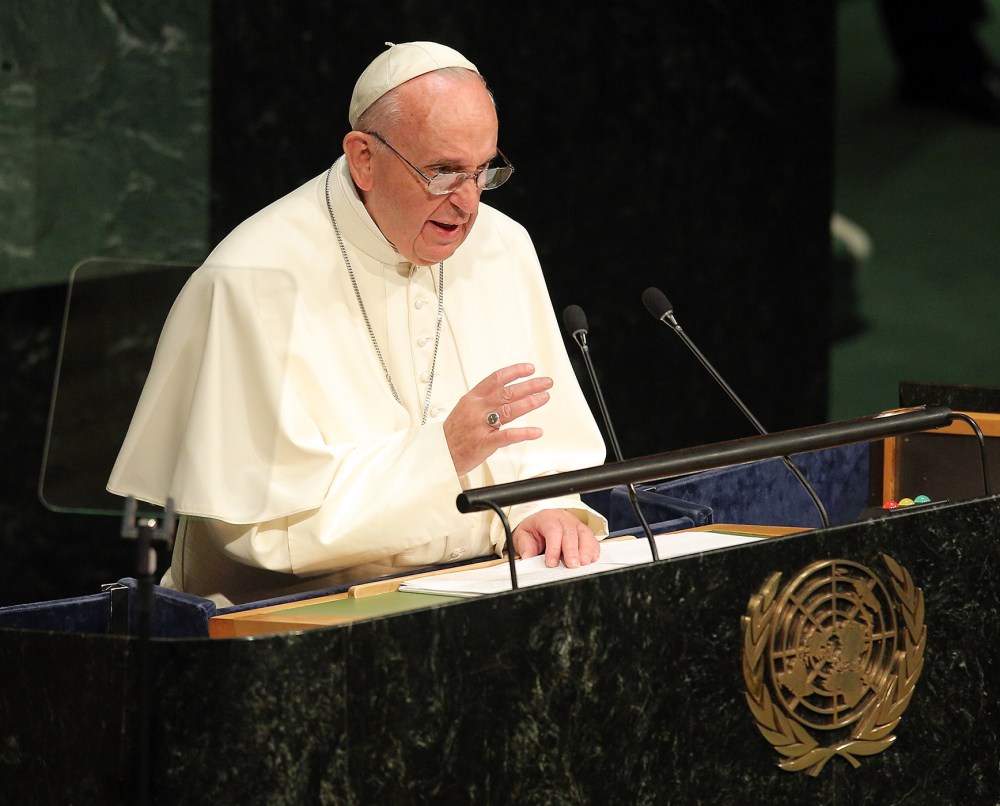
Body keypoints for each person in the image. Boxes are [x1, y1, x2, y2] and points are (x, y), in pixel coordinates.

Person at [108, 42, 608, 606]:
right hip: (289, 624)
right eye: (443, 172)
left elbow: (548, 456)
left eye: (482, 170)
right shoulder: (248, 277)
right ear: (364, 158)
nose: (468, 203)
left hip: (479, 595)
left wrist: (541, 509)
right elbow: (262, 533)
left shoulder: (503, 247)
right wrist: (439, 456)